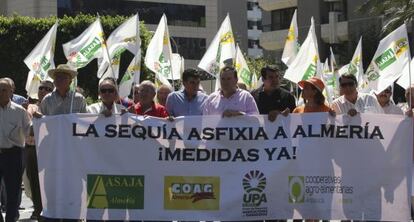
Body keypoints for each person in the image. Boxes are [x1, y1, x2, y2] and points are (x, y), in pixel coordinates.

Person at [0, 78, 31, 222]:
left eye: (4, 90)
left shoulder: (20, 111)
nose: (1, 92)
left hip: (13, 154)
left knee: (12, 191)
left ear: (11, 92)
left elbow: (29, 132)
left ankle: (11, 218)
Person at [25, 80, 54, 220]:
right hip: (32, 149)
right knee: (34, 183)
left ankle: (50, 211)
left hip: (50, 150)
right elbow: (28, 128)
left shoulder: (54, 108)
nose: (43, 90)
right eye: (41, 88)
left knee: (49, 183)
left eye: (48, 88)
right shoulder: (31, 107)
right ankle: (38, 210)